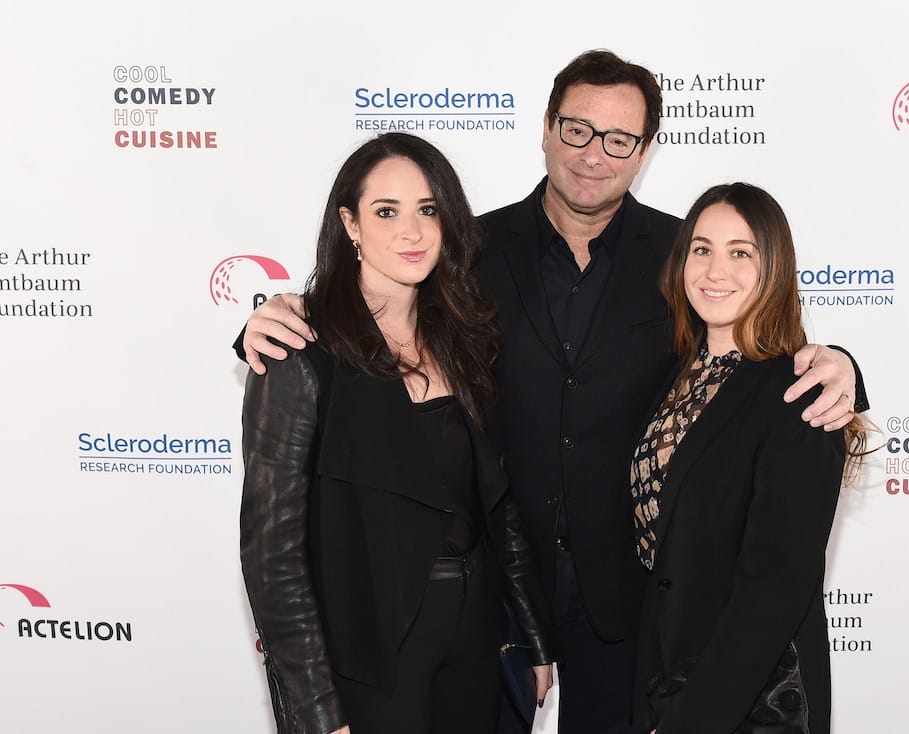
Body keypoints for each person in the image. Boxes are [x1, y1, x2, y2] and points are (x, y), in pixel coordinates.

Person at [238, 51, 868, 734]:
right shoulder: (467, 252)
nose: (594, 154)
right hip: (501, 604)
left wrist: (846, 368)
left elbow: (748, 355)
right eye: (576, 130)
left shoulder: (681, 256)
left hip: (633, 607)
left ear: (644, 151)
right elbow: (372, 327)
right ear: (545, 128)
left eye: (618, 138)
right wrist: (264, 326)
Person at [239, 132, 553, 734]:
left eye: (427, 210)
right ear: (350, 224)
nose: (411, 231)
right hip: (368, 652)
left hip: (475, 639)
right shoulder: (301, 355)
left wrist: (533, 637)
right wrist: (316, 709)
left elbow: (495, 501)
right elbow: (272, 554)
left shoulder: (464, 341)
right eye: (387, 211)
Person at [631, 183, 869, 734]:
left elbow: (775, 586)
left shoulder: (803, 393)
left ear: (774, 268)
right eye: (702, 248)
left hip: (753, 701)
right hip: (664, 681)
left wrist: (695, 719)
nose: (717, 271)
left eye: (742, 252)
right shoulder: (678, 377)